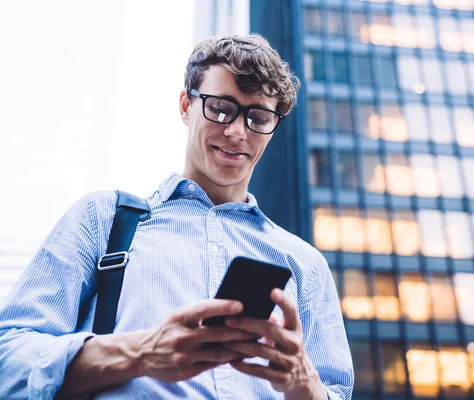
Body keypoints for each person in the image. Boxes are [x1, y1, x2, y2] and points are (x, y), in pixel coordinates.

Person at [0, 34, 354, 399]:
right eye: (220, 108)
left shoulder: (306, 265)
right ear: (186, 106)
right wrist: (140, 353)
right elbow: (7, 360)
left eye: (258, 117)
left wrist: (305, 384)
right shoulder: (104, 219)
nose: (236, 132)